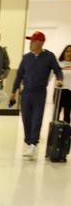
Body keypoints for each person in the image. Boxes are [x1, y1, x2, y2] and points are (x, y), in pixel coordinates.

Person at [10, 31, 63, 159]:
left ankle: (33, 144)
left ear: (40, 42)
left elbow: (58, 70)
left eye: (33, 41)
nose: (30, 43)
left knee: (37, 118)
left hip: (39, 93)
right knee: (26, 118)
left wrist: (59, 78)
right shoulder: (26, 57)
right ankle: (29, 141)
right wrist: (13, 91)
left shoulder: (49, 56)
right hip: (26, 92)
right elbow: (19, 75)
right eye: (30, 41)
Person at [58, 45, 71, 124]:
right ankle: (54, 133)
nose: (69, 53)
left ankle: (66, 134)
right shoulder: (59, 63)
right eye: (67, 51)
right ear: (64, 52)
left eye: (70, 51)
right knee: (56, 113)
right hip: (59, 92)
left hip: (69, 92)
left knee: (67, 114)